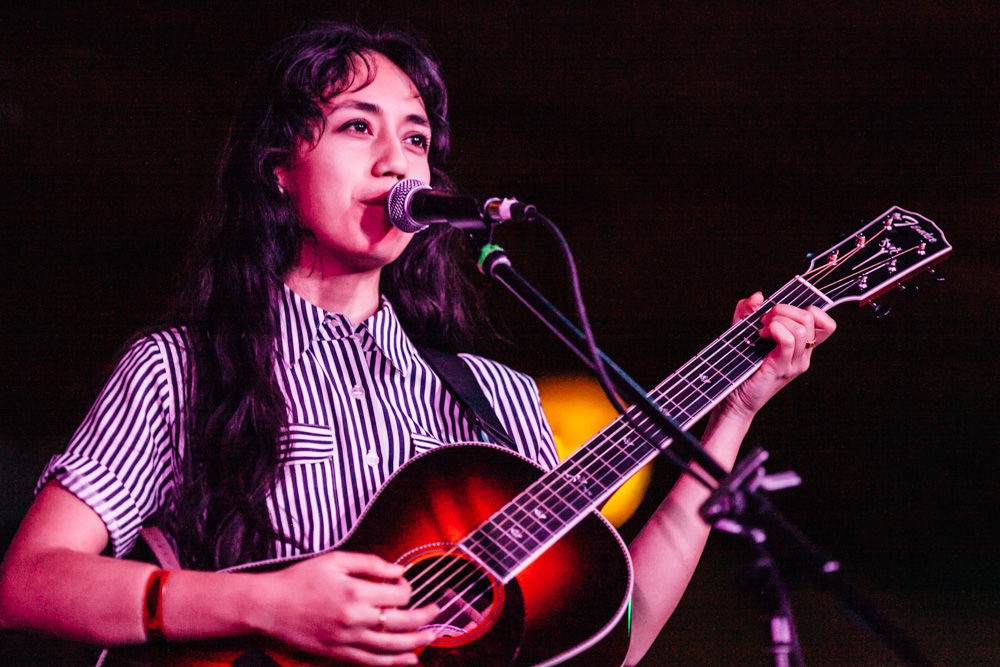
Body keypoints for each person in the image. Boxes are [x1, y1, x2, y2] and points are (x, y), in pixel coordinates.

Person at [0, 22, 835, 667]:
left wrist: (731, 412)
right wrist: (266, 606)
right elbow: (31, 581)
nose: (398, 162)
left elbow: (610, 637)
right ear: (277, 168)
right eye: (358, 128)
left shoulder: (496, 399)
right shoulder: (183, 367)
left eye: (415, 139)